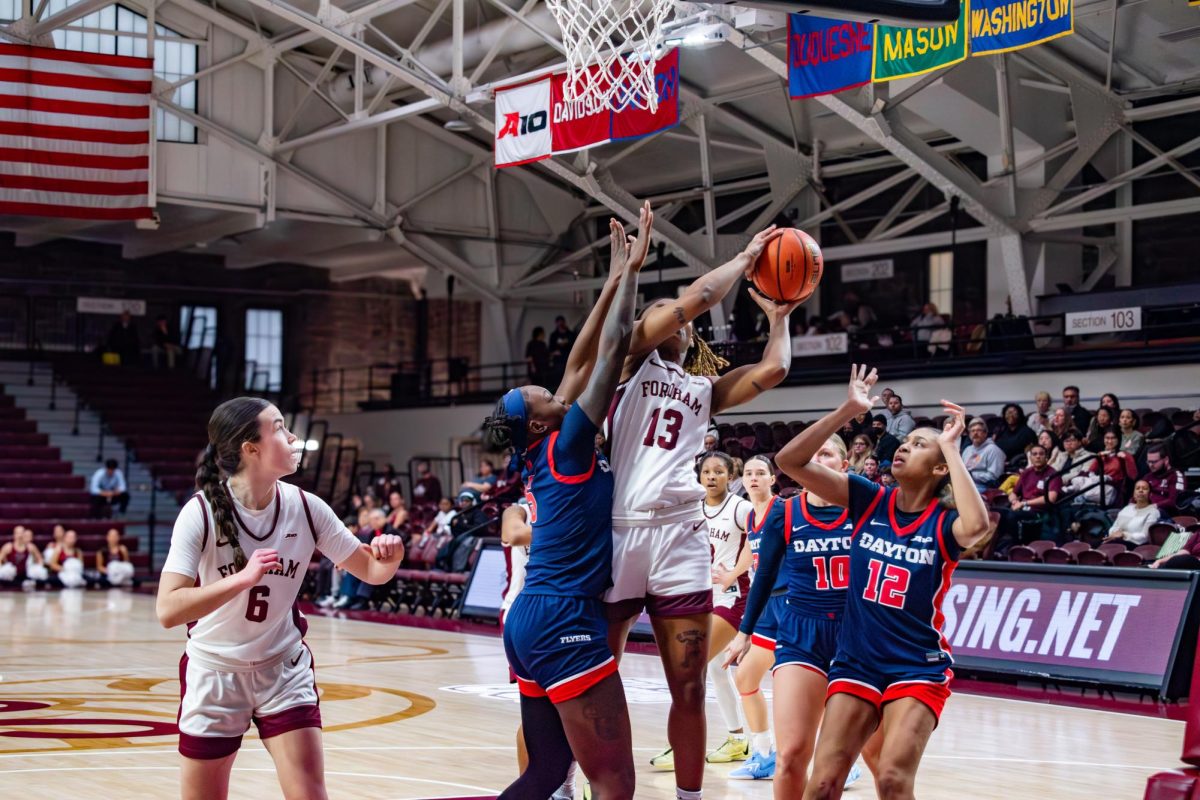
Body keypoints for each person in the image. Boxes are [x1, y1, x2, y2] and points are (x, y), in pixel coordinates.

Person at [603, 220, 798, 800]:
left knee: (687, 686)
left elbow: (773, 371)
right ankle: (588, 782)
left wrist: (780, 318)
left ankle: (690, 797)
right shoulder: (629, 360)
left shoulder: (702, 389)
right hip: (621, 532)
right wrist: (745, 257)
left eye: (680, 316)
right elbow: (702, 297)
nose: (679, 318)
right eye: (669, 311)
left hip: (680, 536)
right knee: (599, 678)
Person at [156, 397, 403, 800]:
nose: (293, 438)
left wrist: (390, 558)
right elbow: (168, 609)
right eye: (280, 428)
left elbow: (371, 571)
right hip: (215, 671)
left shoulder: (306, 507)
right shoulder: (199, 513)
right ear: (250, 449)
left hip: (283, 669)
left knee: (309, 794)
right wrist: (242, 579)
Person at [484, 208, 650, 800]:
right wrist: (630, 277)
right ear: (533, 420)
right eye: (540, 394)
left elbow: (579, 363)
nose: (553, 389)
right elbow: (609, 354)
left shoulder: (540, 451)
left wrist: (607, 282)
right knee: (614, 781)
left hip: (529, 620)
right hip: (562, 619)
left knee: (547, 773)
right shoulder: (570, 443)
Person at [774, 364, 989, 800]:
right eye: (906, 442)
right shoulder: (870, 499)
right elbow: (789, 462)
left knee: (891, 779)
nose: (904, 448)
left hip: (916, 665)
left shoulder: (944, 524)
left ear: (938, 469)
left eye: (919, 445)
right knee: (822, 784)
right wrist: (846, 410)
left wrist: (951, 447)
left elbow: (979, 526)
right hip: (856, 662)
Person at [724, 437, 865, 796]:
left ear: (844, 466)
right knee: (790, 755)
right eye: (811, 454)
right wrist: (744, 632)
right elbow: (763, 577)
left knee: (864, 762)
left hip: (857, 635)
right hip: (800, 630)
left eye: (827, 454)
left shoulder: (867, 509)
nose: (816, 460)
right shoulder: (784, 513)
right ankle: (763, 752)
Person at [698, 452, 753, 765]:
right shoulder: (695, 506)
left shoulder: (739, 507)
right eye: (706, 471)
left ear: (731, 475)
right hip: (700, 595)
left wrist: (733, 573)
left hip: (731, 596)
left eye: (718, 471)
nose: (711, 476)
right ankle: (737, 739)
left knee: (692, 668)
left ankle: (683, 742)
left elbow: (758, 540)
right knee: (717, 671)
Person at [995, 444, 1062, 549]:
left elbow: (1051, 498)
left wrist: (1024, 503)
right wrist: (1014, 502)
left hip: (1039, 512)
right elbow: (1014, 493)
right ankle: (994, 548)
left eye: (1041, 454)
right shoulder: (1027, 473)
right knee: (996, 512)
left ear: (1046, 457)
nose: (1038, 456)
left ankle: (1016, 546)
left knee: (1012, 516)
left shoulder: (1053, 474)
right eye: (1034, 454)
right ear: (1030, 457)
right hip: (1022, 508)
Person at [1103, 480, 1160, 548]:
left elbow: (1145, 536)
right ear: (1133, 493)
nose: (1140, 490)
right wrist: (1115, 534)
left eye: (1144, 489)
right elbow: (1114, 527)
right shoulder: (1127, 508)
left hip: (1135, 545)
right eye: (1137, 488)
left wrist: (1124, 535)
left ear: (1150, 494)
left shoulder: (1153, 512)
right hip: (1116, 540)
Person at [961, 418, 1006, 491]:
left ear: (985, 433)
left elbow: (995, 476)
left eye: (979, 430)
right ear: (969, 435)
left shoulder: (993, 450)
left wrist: (971, 475)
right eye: (972, 431)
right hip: (966, 483)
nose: (975, 433)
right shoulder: (967, 449)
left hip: (985, 486)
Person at [1142, 444, 1186, 512]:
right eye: (1148, 462)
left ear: (1166, 460)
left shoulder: (1175, 476)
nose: (1150, 465)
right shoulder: (1148, 477)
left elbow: (1175, 501)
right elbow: (1136, 496)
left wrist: (1154, 506)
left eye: (1154, 462)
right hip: (1146, 511)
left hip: (1165, 515)